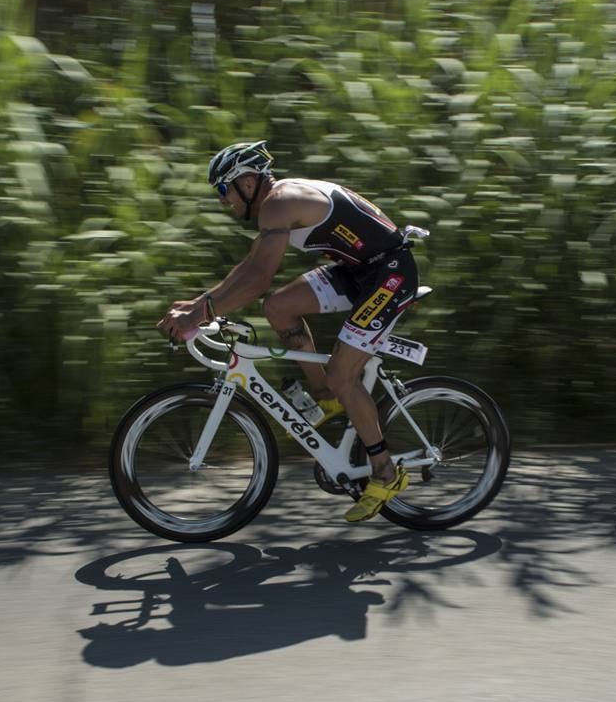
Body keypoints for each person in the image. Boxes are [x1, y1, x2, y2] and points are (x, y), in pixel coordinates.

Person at [156, 140, 423, 521]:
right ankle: (326, 398)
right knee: (279, 308)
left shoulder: (279, 203)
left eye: (222, 190)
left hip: (389, 275)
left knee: (344, 374)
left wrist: (199, 314)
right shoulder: (276, 203)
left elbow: (258, 278)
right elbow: (249, 269)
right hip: (360, 269)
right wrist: (198, 304)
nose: (222, 201)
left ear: (247, 183)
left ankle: (385, 471)